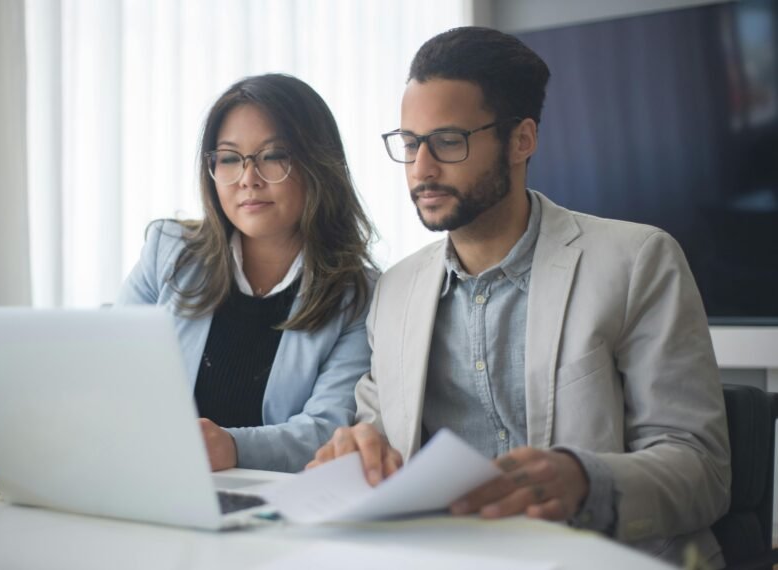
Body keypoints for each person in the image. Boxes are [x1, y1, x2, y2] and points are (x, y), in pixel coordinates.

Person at [308, 27, 730, 565]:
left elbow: (704, 471)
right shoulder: (395, 290)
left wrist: (584, 480)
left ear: (522, 140)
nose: (421, 168)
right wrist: (354, 453)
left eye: (448, 141)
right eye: (411, 143)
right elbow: (376, 434)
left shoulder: (638, 260)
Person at [118, 73, 377, 473]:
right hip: (152, 481)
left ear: (318, 163)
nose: (248, 179)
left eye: (273, 156)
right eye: (229, 158)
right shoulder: (167, 252)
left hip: (274, 508)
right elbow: (111, 374)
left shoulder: (358, 295)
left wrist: (233, 446)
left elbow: (328, 431)